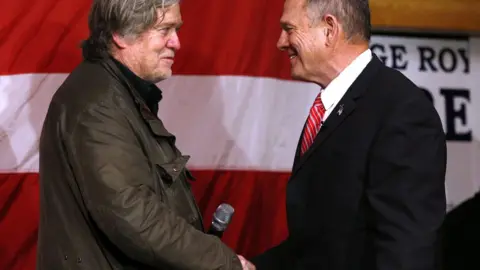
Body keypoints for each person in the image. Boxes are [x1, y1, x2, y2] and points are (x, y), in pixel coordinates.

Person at [36, 0, 255, 269]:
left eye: (176, 30)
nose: (176, 43)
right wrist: (224, 263)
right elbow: (132, 214)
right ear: (120, 34)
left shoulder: (115, 95)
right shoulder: (98, 105)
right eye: (164, 30)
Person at [251, 0, 447, 269]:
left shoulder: (401, 111)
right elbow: (319, 243)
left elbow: (406, 250)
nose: (280, 42)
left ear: (329, 29)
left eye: (289, 28)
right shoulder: (332, 108)